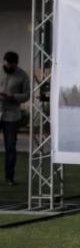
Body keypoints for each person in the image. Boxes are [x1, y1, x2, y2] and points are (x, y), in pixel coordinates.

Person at [1, 52, 29, 185]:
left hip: (12, 116)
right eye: (5, 64)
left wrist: (13, 97)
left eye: (9, 65)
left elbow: (27, 95)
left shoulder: (22, 75)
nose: (6, 66)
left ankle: (9, 177)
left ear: (15, 64)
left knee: (10, 147)